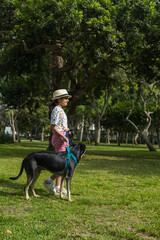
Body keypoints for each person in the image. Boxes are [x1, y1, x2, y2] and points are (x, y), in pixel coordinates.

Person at [43, 89, 72, 195]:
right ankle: (55, 186)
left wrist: (66, 129)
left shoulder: (60, 110)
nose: (67, 100)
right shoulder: (57, 110)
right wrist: (62, 136)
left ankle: (53, 184)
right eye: (65, 98)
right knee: (62, 164)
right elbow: (53, 127)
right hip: (60, 138)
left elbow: (60, 125)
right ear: (59, 99)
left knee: (63, 164)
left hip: (63, 137)